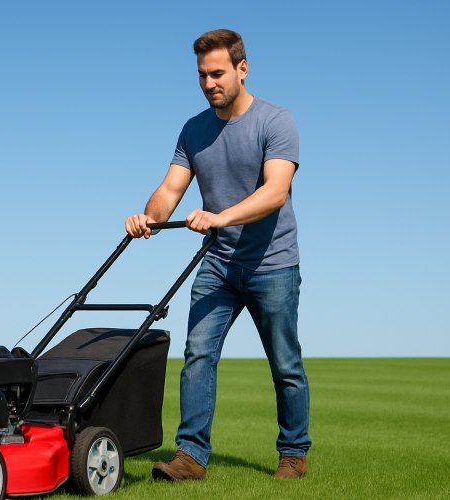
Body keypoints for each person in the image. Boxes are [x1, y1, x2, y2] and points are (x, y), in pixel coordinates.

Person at [125, 29, 311, 481]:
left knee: (284, 364)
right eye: (202, 75)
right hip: (219, 265)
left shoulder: (276, 121)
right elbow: (170, 189)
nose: (210, 83)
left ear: (242, 69)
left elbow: (275, 192)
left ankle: (293, 453)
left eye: (218, 73)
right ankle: (190, 457)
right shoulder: (194, 130)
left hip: (273, 264)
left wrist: (219, 216)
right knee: (198, 354)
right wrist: (147, 217)